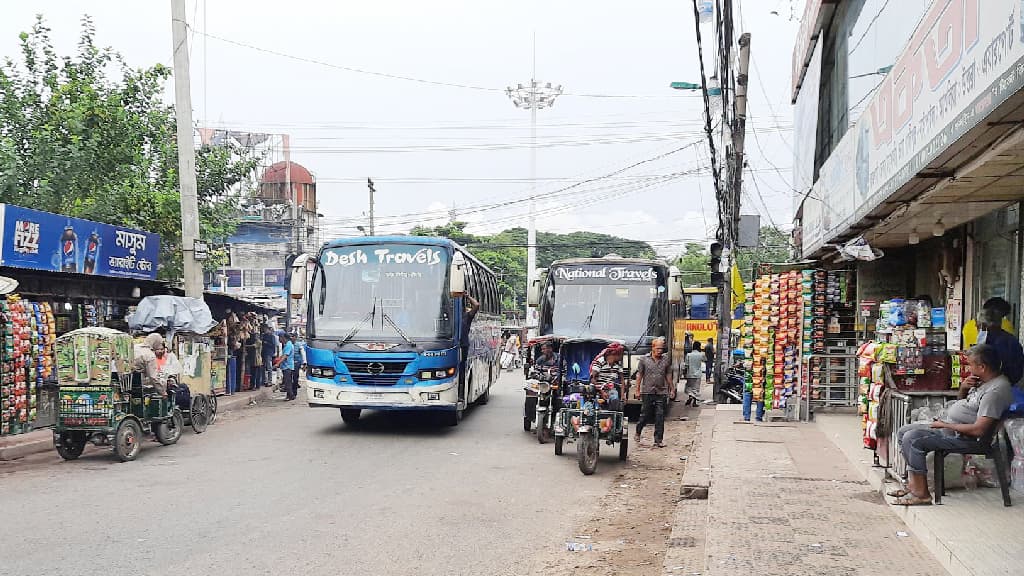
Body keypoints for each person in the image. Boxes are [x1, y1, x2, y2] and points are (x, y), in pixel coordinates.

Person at [890, 344, 1013, 506]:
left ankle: (922, 495)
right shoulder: (983, 382)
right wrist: (963, 388)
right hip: (953, 428)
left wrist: (945, 426)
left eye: (971, 365)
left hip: (968, 438)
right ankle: (914, 484)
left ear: (982, 367)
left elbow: (978, 430)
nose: (969, 369)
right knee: (904, 431)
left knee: (913, 439)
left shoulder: (995, 391)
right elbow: (964, 404)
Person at [635, 336, 673, 448]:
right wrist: (637, 390)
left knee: (660, 416)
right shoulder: (644, 360)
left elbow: (668, 374)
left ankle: (658, 440)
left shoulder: (666, 360)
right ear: (653, 348)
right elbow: (639, 375)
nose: (660, 351)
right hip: (647, 391)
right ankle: (638, 432)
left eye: (662, 349)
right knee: (645, 415)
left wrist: (671, 388)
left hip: (661, 392)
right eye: (658, 348)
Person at [975, 307, 1024, 385]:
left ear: (983, 326)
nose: (976, 328)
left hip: (995, 385)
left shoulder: (992, 345)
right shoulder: (1012, 340)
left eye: (977, 325)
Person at [590, 342, 625, 411]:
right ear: (615, 354)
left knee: (615, 399)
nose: (622, 357)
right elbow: (592, 379)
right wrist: (602, 391)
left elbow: (622, 381)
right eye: (621, 354)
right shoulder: (600, 362)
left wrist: (623, 396)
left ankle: (612, 418)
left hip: (610, 389)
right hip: (597, 389)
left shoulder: (617, 366)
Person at [278, 333, 297, 401]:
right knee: (287, 382)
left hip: (287, 366)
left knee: (287, 382)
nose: (279, 339)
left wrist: (277, 363)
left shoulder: (288, 345)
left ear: (283, 338)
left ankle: (291, 396)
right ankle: (289, 395)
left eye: (280, 338)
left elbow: (285, 356)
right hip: (287, 366)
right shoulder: (287, 345)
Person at [684, 341, 704, 406]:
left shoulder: (689, 355)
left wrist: (684, 374)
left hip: (690, 373)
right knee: (696, 388)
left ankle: (690, 396)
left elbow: (686, 365)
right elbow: (705, 360)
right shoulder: (701, 354)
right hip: (698, 374)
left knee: (689, 387)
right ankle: (694, 402)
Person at [261, 325, 277, 389]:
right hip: (263, 353)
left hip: (269, 353)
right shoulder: (264, 336)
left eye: (265, 329)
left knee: (269, 367)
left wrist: (266, 343)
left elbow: (273, 345)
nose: (265, 330)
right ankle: (264, 380)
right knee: (263, 367)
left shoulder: (272, 336)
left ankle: (269, 381)